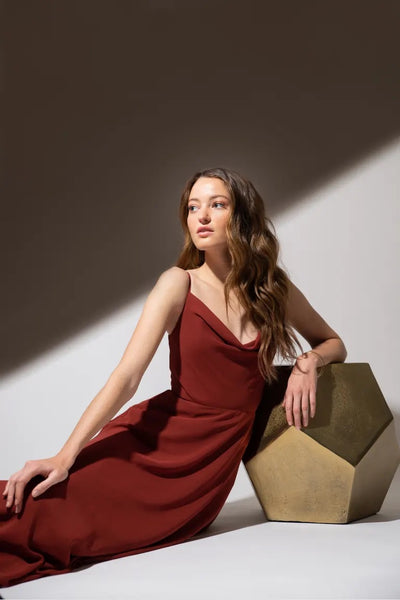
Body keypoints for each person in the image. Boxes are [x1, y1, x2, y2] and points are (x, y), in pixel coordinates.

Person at [0, 167, 347, 587]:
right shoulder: (177, 283)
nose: (201, 216)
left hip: (204, 474)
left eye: (217, 205)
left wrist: (310, 361)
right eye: (192, 207)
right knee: (40, 513)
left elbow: (332, 342)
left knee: (73, 527)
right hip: (156, 442)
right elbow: (126, 376)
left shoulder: (272, 289)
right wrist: (64, 455)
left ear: (240, 216)